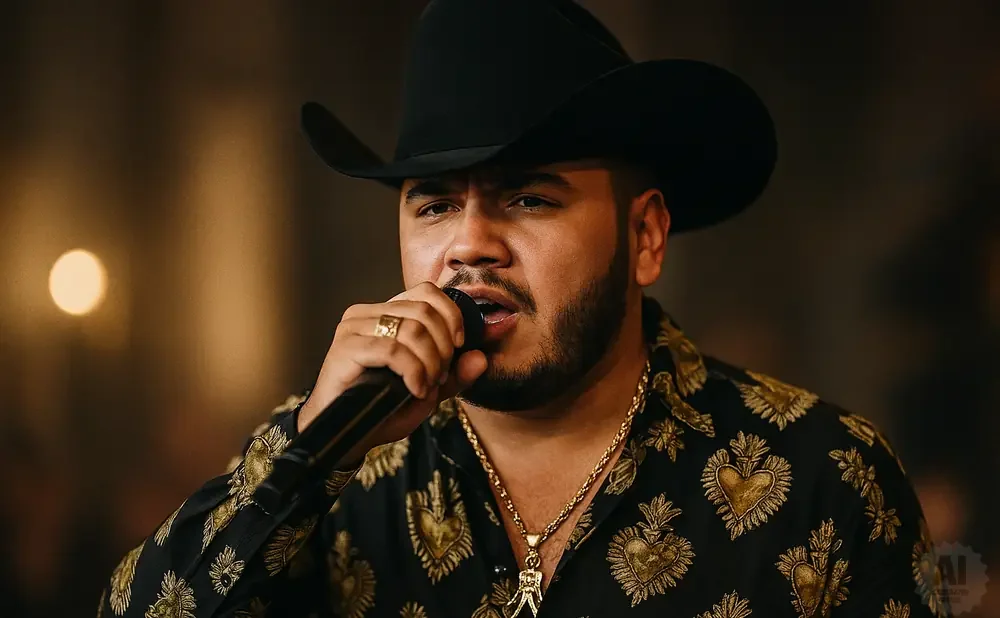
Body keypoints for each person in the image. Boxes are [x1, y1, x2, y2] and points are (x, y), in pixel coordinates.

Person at [98, 0, 951, 616]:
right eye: (433, 204)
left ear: (645, 235)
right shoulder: (334, 469)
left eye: (529, 199)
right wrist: (310, 451)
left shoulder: (821, 476)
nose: (470, 244)